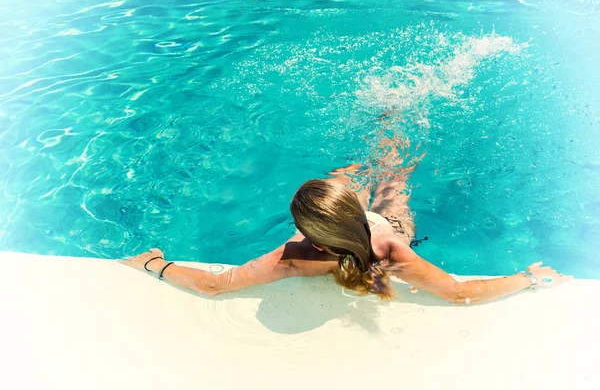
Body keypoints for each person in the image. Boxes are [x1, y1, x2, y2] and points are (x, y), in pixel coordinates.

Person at [119, 137, 572, 304]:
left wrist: (153, 264)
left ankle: (365, 158)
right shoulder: (391, 249)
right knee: (393, 180)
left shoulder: (294, 255)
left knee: (345, 175)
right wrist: (526, 278)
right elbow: (458, 292)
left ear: (306, 234)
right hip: (387, 225)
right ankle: (388, 134)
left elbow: (218, 284)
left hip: (349, 228)